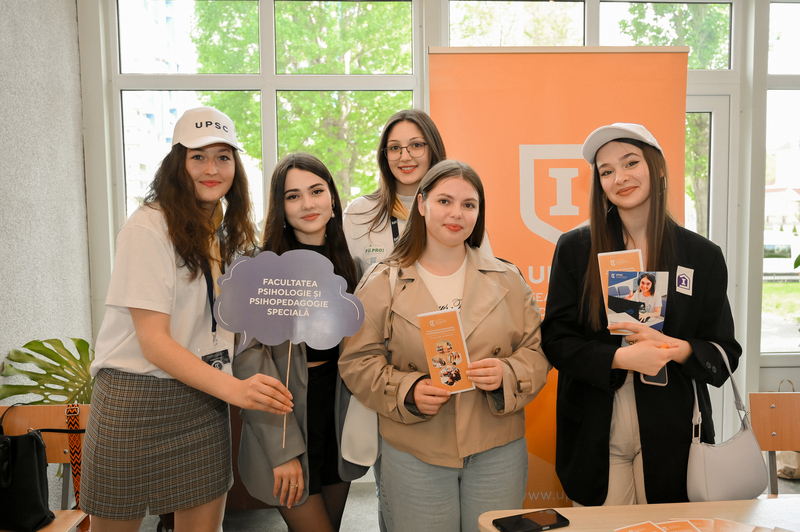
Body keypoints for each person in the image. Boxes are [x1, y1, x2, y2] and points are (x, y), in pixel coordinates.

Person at [82, 107, 294, 532]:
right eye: (198, 157)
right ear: (178, 163)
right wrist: (236, 390)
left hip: (202, 399)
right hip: (135, 399)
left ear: (235, 166)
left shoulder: (227, 229)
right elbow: (154, 342)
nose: (211, 169)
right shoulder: (149, 226)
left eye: (222, 157)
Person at [339, 160, 551, 532]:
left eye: (469, 205)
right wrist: (407, 390)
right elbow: (357, 360)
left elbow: (538, 351)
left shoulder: (508, 279)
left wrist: (507, 373)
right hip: (414, 451)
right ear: (422, 204)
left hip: (498, 449)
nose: (456, 214)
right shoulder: (382, 280)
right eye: (444, 201)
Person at [541, 123, 742, 506]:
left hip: (674, 433)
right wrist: (620, 358)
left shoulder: (701, 256)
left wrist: (677, 348)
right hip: (595, 429)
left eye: (630, 163)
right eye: (606, 171)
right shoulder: (576, 248)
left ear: (658, 167)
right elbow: (556, 339)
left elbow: (724, 353)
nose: (620, 177)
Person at [233, 153, 368, 532]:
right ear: (280, 207)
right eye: (293, 196)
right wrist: (284, 450)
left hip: (337, 416)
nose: (308, 204)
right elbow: (249, 362)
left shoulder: (354, 268)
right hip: (284, 414)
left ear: (333, 198)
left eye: (316, 191)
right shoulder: (260, 268)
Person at [344, 109, 491, 274]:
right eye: (394, 147)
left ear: (433, 148)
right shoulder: (358, 213)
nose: (405, 157)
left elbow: (485, 278)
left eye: (416, 145)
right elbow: (347, 284)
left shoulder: (459, 213)